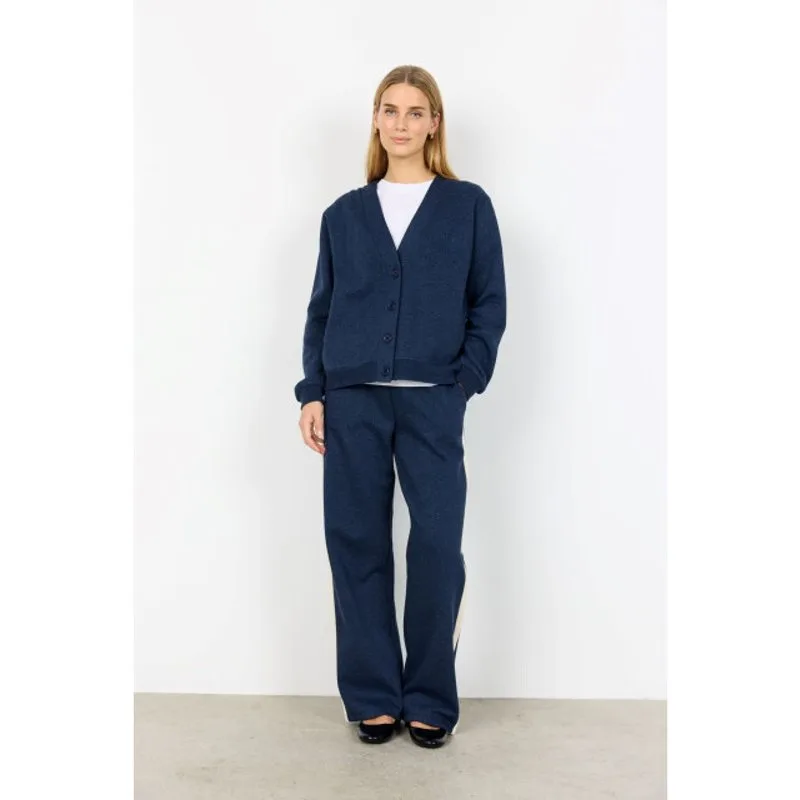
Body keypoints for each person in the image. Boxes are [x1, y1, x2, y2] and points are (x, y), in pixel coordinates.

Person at [294, 65, 506, 748]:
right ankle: (374, 697)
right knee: (355, 543)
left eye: (416, 112)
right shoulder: (343, 215)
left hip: (432, 401)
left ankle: (431, 698)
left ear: (435, 123)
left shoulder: (467, 205)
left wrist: (463, 381)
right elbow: (322, 311)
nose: (402, 124)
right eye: (390, 110)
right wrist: (313, 391)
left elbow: (489, 302)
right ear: (376, 120)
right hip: (351, 400)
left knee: (438, 546)